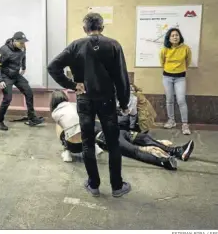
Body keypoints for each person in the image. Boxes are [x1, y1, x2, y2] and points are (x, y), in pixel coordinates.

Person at [48, 13, 131, 198]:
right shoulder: (114, 45)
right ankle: (117, 187)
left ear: (85, 29)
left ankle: (93, 185)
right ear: (102, 27)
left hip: (84, 100)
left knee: (88, 142)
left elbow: (52, 67)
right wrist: (124, 103)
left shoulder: (76, 45)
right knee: (113, 143)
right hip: (108, 100)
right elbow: (121, 77)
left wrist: (72, 85)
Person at [50, 90, 195, 170]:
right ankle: (169, 157)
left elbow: (67, 140)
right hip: (113, 132)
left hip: (109, 136)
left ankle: (173, 155)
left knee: (136, 150)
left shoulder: (60, 119)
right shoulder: (77, 108)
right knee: (143, 141)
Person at [0, 31, 44, 131]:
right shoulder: (4, 50)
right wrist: (0, 80)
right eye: (21, 43)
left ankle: (32, 118)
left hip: (16, 74)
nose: (23, 45)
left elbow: (23, 56)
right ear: (14, 41)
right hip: (5, 76)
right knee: (7, 98)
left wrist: (23, 67)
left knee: (29, 92)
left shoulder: (22, 47)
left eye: (24, 42)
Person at [50, 90, 103, 162]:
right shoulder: (74, 105)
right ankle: (95, 147)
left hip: (73, 146)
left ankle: (67, 152)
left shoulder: (54, 113)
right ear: (65, 97)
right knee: (86, 123)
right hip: (87, 143)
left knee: (59, 124)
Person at [160, 28, 192, 135]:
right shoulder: (164, 49)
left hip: (180, 78)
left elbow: (188, 62)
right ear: (169, 38)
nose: (175, 37)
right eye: (172, 35)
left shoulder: (186, 48)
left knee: (181, 100)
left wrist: (180, 69)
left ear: (180, 37)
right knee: (169, 100)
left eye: (177, 35)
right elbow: (162, 62)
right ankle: (171, 121)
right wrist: (170, 70)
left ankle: (185, 124)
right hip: (167, 77)